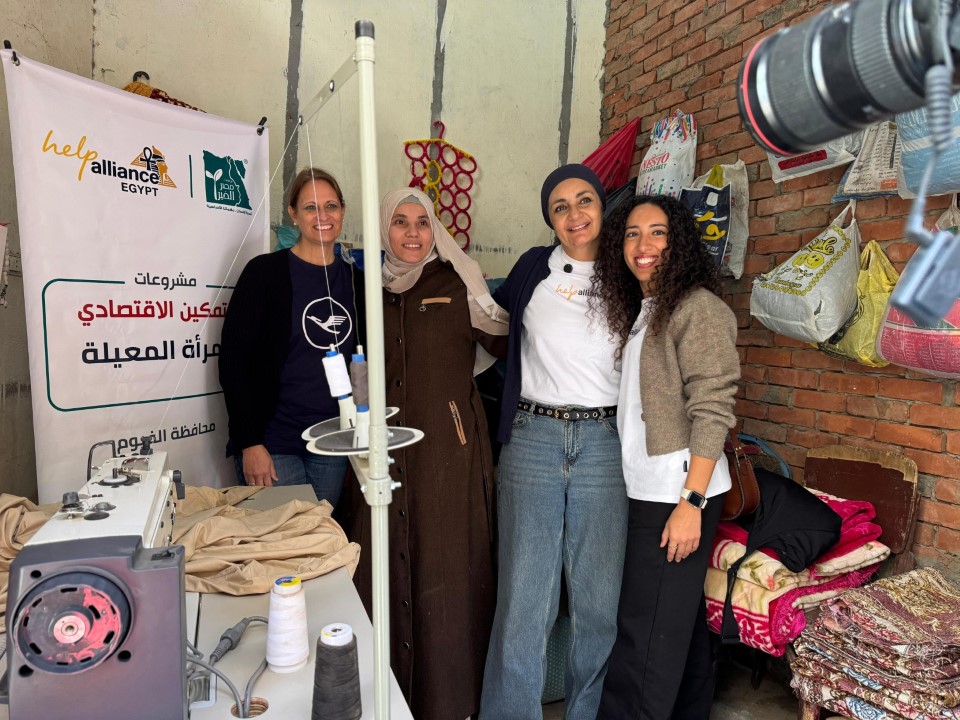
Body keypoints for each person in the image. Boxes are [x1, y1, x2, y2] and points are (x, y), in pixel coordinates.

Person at [340, 187, 508, 720]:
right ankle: (384, 699)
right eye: (400, 222)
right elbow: (352, 360)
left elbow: (507, 339)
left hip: (446, 456)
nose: (412, 233)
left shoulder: (456, 281)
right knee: (380, 563)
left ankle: (449, 703)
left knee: (447, 569)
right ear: (383, 229)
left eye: (422, 222)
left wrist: (488, 291)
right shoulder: (365, 288)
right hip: (380, 450)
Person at [480, 164, 628, 720]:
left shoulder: (627, 271)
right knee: (524, 601)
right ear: (550, 218)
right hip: (533, 438)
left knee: (598, 602)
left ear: (602, 206)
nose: (574, 214)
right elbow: (491, 323)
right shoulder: (531, 268)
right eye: (560, 206)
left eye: (584, 200)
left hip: (606, 443)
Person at [592, 194, 739, 719]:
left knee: (645, 629)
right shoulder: (647, 308)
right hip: (651, 487)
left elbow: (713, 408)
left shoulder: (698, 308)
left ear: (679, 243)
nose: (644, 244)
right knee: (677, 621)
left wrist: (690, 503)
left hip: (677, 491)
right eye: (633, 233)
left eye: (658, 232)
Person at [218, 167, 364, 506]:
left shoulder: (357, 283)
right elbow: (233, 363)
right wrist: (249, 442)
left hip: (332, 441)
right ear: (293, 214)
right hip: (273, 441)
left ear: (342, 211)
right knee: (282, 536)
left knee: (319, 534)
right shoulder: (264, 274)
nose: (322, 216)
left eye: (331, 206)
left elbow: (364, 361)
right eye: (311, 207)